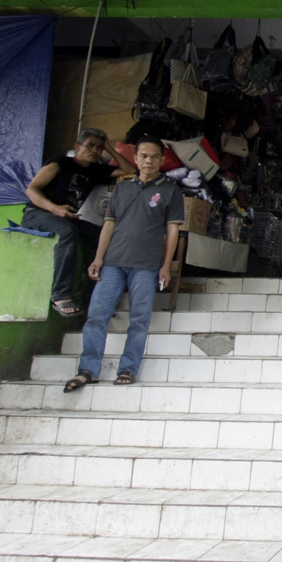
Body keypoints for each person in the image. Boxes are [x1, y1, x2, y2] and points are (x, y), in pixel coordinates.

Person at [65, 138, 184, 391]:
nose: (148, 161)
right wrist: (99, 258)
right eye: (143, 156)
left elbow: (172, 231)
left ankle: (128, 369)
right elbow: (109, 224)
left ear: (162, 160)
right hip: (113, 263)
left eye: (154, 156)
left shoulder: (171, 191)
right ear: (136, 159)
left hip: (146, 266)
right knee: (97, 316)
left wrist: (166, 265)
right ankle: (88, 369)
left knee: (139, 319)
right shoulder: (121, 188)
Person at [23, 127, 125, 317]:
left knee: (105, 240)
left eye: (99, 148)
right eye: (90, 145)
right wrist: (55, 208)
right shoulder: (59, 163)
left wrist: (110, 148)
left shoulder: (96, 170)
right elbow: (32, 190)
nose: (94, 151)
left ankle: (93, 300)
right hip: (37, 213)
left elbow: (129, 170)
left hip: (67, 217)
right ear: (77, 146)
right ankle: (61, 296)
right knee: (68, 232)